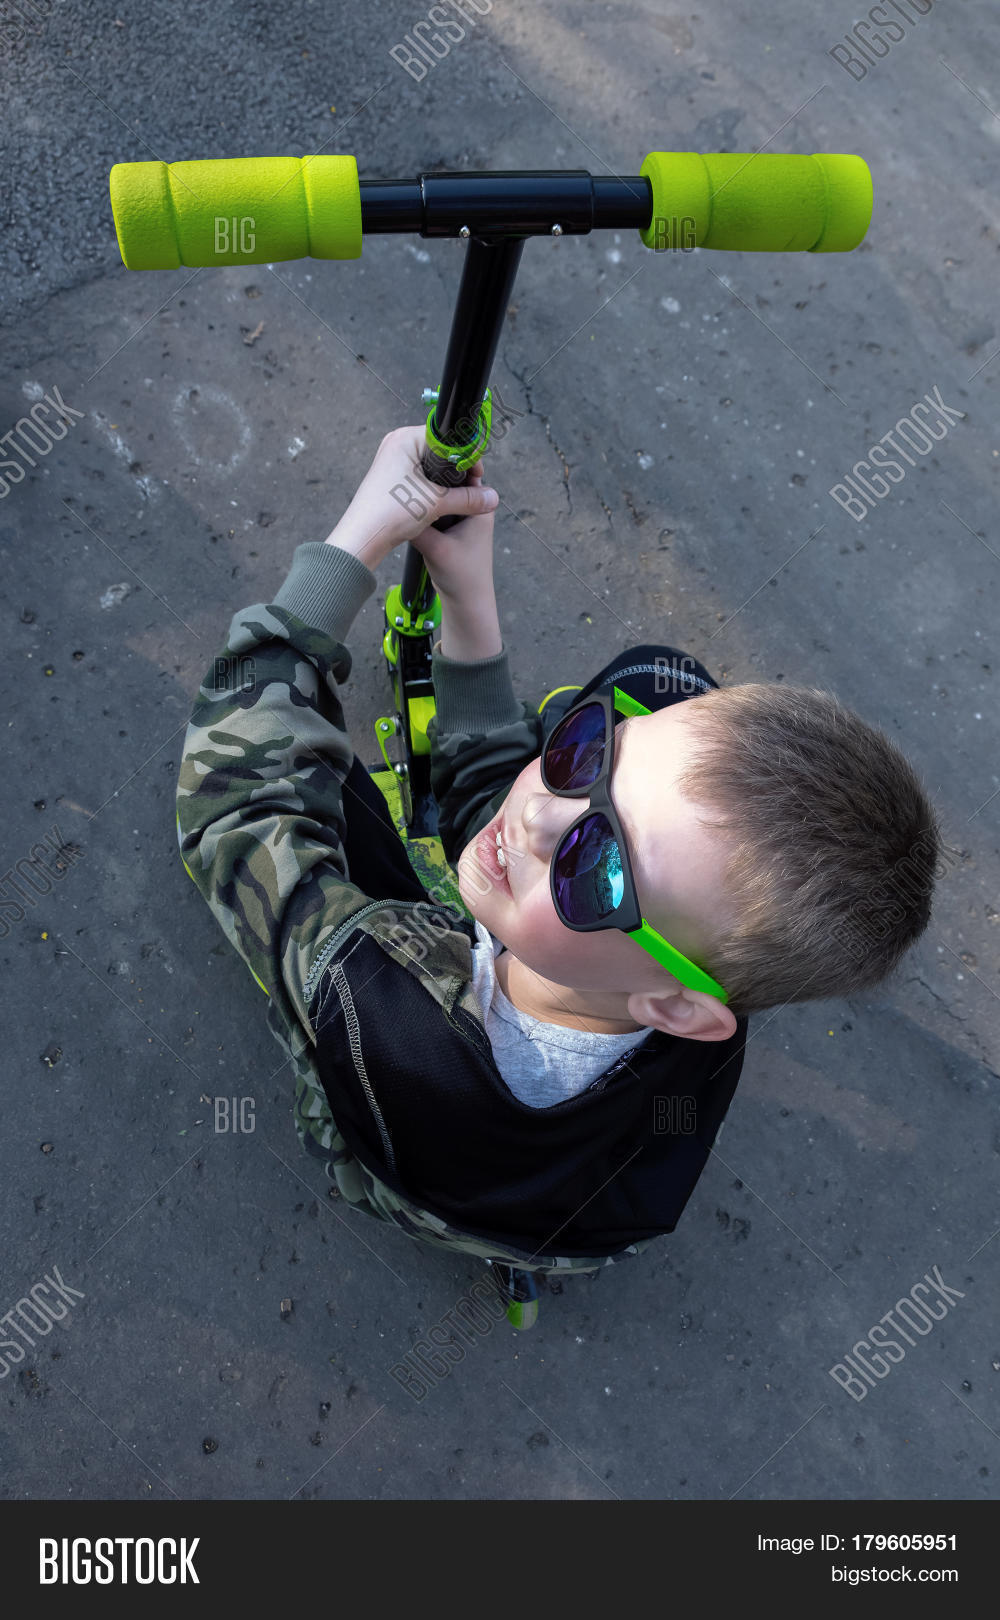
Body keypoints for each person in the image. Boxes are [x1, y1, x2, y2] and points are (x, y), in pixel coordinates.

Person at [175, 425, 943, 1290]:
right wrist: (469, 598)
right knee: (661, 680)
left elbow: (233, 800)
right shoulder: (696, 986)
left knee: (333, 803)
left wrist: (356, 543)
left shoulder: (391, 1005)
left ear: (676, 1005)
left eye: (599, 869)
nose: (541, 809)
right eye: (588, 749)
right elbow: (521, 820)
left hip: (398, 1157)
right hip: (579, 1223)